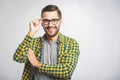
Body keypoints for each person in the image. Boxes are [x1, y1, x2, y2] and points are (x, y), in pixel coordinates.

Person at [13, 4, 80, 80]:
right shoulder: (33, 43)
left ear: (60, 21)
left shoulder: (71, 43)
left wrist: (38, 64)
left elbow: (66, 71)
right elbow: (18, 58)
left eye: (54, 20)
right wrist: (31, 32)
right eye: (46, 21)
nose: (50, 25)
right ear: (42, 22)